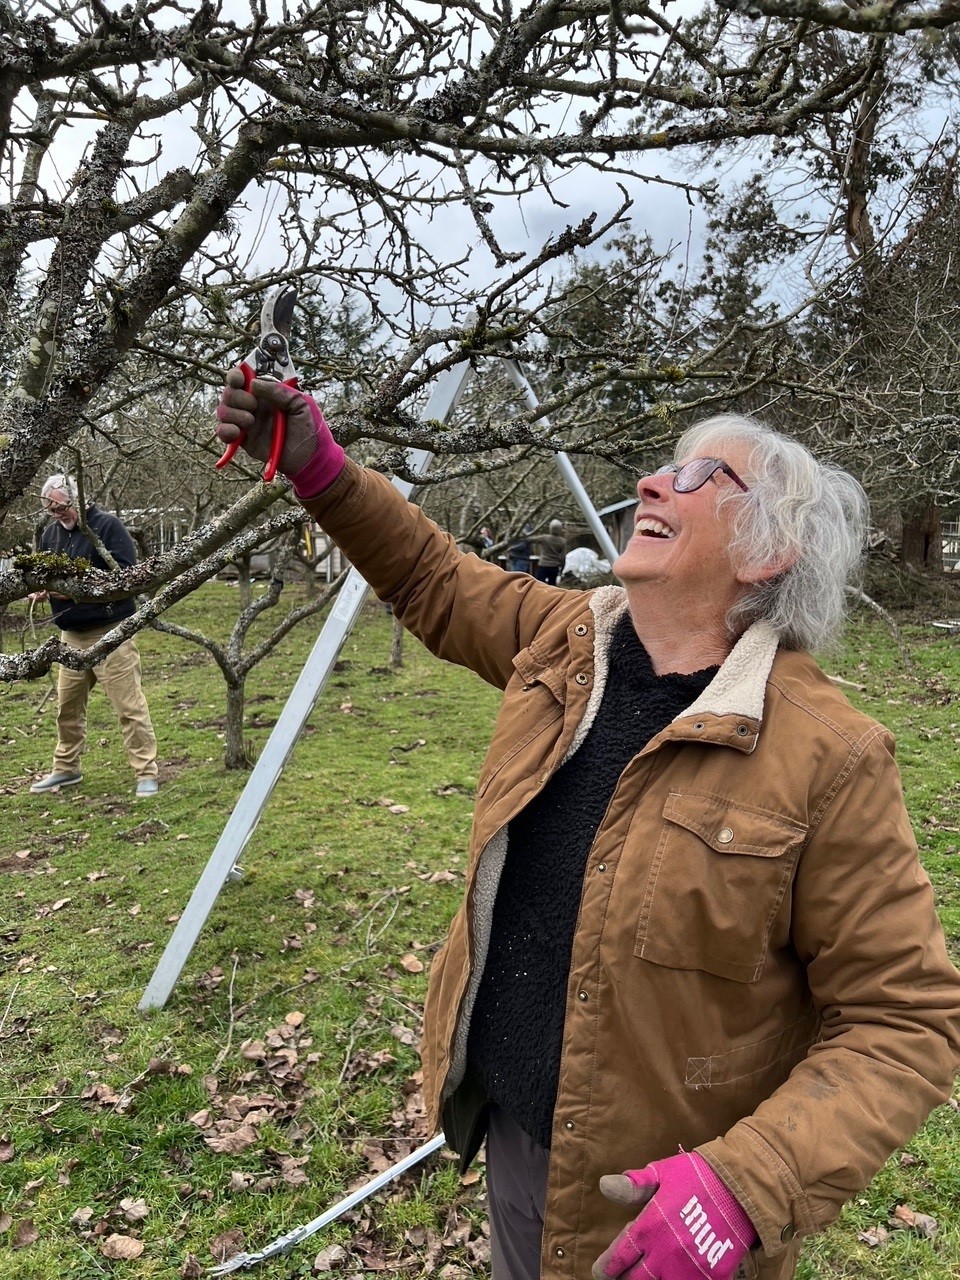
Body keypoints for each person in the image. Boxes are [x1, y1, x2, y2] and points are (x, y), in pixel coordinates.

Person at [215, 376, 960, 1280]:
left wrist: (747, 1186)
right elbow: (430, 575)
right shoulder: (571, 641)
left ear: (770, 549)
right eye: (664, 467)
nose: (651, 483)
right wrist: (320, 470)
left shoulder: (829, 757)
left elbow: (905, 1020)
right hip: (526, 1146)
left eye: (699, 476)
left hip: (668, 1214)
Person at [28, 475, 159, 798]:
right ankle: (66, 769)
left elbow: (127, 575)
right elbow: (48, 575)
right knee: (67, 709)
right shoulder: (50, 534)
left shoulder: (108, 526)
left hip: (111, 632)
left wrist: (74, 592)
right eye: (52, 510)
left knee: (129, 707)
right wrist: (44, 590)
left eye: (62, 507)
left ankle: (146, 772)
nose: (58, 514)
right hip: (70, 637)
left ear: (78, 498)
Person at [532, 519, 565, 584]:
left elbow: (531, 540)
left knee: (539, 584)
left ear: (550, 528)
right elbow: (562, 556)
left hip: (543, 564)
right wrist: (562, 567)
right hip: (554, 566)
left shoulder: (544, 538)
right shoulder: (562, 541)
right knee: (552, 585)